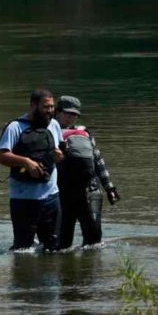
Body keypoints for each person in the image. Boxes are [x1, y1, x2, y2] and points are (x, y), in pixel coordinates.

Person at [0, 89, 64, 252]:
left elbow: (60, 154)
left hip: (51, 196)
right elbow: (1, 156)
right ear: (33, 106)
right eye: (45, 107)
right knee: (23, 250)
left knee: (53, 248)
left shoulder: (53, 125)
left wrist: (59, 155)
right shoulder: (15, 127)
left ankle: (50, 277)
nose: (50, 111)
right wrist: (25, 162)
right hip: (23, 198)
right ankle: (23, 276)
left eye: (52, 107)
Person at [55, 95, 120, 249]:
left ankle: (90, 271)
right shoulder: (49, 132)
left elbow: (98, 161)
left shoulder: (84, 132)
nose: (72, 117)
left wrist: (110, 188)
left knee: (94, 241)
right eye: (68, 113)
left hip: (90, 190)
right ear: (57, 112)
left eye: (75, 115)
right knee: (62, 243)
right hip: (63, 193)